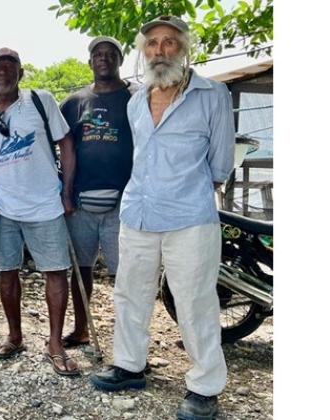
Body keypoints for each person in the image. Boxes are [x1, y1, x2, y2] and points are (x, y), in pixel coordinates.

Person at [87, 16, 234, 420]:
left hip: (190, 215)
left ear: (183, 48)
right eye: (152, 43)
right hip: (138, 210)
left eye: (169, 42)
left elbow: (220, 163)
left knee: (194, 301)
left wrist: (188, 189)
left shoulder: (212, 94)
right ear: (143, 50)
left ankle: (205, 387)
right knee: (129, 293)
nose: (159, 50)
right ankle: (129, 365)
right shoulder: (136, 100)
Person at [0, 48, 78, 375]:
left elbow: (66, 144)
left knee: (56, 271)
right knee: (6, 272)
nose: (2, 72)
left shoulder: (41, 101)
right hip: (2, 207)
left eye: (9, 66)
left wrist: (67, 191)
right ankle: (15, 335)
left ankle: (55, 343)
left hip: (46, 204)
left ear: (20, 73)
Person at [58, 37, 139, 347]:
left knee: (127, 274)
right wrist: (65, 192)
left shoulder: (136, 97)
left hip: (124, 203)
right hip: (80, 203)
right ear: (90, 62)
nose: (104, 59)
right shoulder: (74, 102)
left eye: (111, 54)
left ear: (120, 60)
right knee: (81, 269)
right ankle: (80, 328)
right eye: (97, 55)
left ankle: (128, 340)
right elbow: (60, 144)